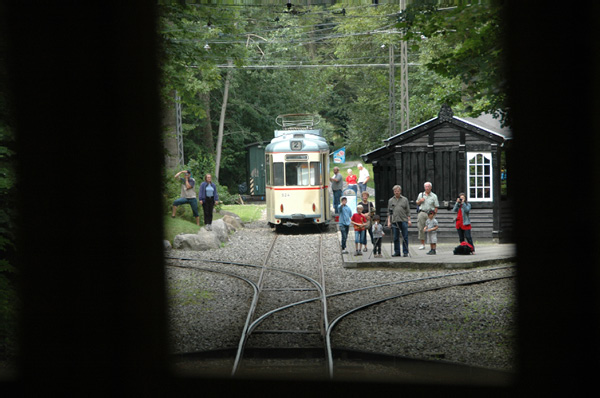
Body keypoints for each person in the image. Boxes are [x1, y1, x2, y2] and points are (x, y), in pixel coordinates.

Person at [386, 185, 412, 257]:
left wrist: (409, 220)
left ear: (400, 191)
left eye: (398, 191)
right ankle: (397, 252)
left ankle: (405, 251)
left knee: (405, 236)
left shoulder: (405, 199)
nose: (396, 192)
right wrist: (389, 222)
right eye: (395, 191)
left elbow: (408, 211)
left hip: (403, 220)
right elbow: (389, 212)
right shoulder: (390, 200)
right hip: (394, 221)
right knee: (395, 237)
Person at [416, 182, 439, 250]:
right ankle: (422, 244)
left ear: (431, 187)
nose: (427, 188)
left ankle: (432, 245)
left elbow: (436, 206)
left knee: (431, 229)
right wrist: (420, 200)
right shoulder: (421, 194)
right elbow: (417, 203)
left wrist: (434, 214)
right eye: (426, 186)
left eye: (428, 186)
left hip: (430, 214)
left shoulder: (434, 196)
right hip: (422, 212)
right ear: (424, 187)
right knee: (421, 228)